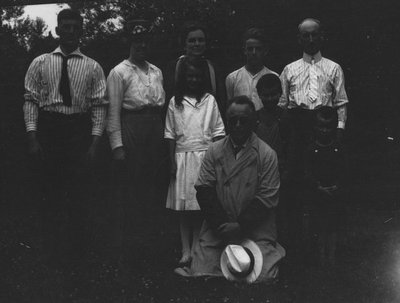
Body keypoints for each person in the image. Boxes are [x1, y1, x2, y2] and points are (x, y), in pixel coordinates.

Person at [23, 9, 107, 266]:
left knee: (80, 193)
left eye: (74, 27)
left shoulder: (93, 67)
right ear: (58, 30)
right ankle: (49, 251)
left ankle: (77, 254)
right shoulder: (40, 62)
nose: (70, 31)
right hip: (50, 129)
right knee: (50, 191)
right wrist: (33, 137)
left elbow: (99, 106)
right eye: (65, 27)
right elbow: (30, 101)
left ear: (81, 30)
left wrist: (94, 143)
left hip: (78, 131)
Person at [174, 96, 285, 283]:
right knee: (202, 271)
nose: (238, 125)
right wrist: (222, 225)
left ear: (254, 123)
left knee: (263, 275)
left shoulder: (267, 155)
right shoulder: (214, 150)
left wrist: (240, 226)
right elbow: (204, 189)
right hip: (219, 229)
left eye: (244, 120)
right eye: (233, 120)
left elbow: (267, 198)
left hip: (255, 230)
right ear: (227, 122)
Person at [278, 18, 349, 252]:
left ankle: (325, 241)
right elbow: (283, 104)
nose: (310, 39)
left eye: (314, 35)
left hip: (324, 128)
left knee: (324, 183)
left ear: (321, 37)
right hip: (298, 128)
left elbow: (340, 102)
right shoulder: (289, 69)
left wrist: (339, 128)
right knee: (299, 182)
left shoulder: (333, 67)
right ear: (299, 39)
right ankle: (299, 241)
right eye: (305, 36)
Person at [106, 22, 166, 257]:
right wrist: (117, 146)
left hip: (155, 128)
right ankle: (130, 244)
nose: (141, 45)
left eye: (145, 40)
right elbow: (113, 112)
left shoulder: (157, 71)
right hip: (132, 127)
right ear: (129, 43)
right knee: (132, 186)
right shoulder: (119, 72)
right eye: (137, 40)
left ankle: (153, 240)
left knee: (154, 184)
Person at [165, 56, 225, 265]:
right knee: (183, 207)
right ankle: (185, 249)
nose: (193, 80)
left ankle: (200, 247)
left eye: (197, 76)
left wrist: (218, 161)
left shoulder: (210, 100)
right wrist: (172, 161)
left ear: (203, 79)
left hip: (205, 159)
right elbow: (170, 133)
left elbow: (218, 132)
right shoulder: (175, 102)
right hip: (182, 158)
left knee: (201, 206)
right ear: (183, 78)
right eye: (189, 76)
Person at [304, 106, 348, 266]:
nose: (324, 130)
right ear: (315, 127)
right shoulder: (312, 149)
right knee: (320, 225)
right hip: (318, 195)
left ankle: (333, 254)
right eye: (321, 126)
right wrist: (317, 187)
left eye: (328, 127)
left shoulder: (337, 148)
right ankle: (321, 254)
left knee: (333, 225)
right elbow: (307, 172)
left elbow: (343, 169)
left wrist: (337, 185)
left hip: (334, 194)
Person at [163, 22, 226, 118]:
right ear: (184, 44)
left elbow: (220, 101)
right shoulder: (174, 68)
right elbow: (168, 100)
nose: (197, 44)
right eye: (192, 41)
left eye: (200, 40)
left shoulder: (213, 69)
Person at [225, 27, 278, 112]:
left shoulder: (273, 76)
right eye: (250, 49)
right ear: (244, 50)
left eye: (258, 49)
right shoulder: (232, 78)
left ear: (265, 51)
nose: (254, 52)